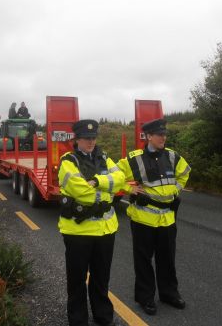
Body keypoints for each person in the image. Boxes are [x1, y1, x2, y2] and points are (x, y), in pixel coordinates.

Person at [117, 118, 191, 316]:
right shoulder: (135, 158)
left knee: (167, 259)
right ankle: (145, 297)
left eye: (165, 134)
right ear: (148, 136)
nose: (163, 138)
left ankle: (169, 294)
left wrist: (176, 190)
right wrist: (128, 189)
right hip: (143, 219)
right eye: (159, 135)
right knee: (143, 261)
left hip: (167, 218)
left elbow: (185, 174)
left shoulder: (173, 156)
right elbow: (114, 175)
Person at [58, 119, 125, 326]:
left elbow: (120, 179)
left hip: (105, 230)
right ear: (77, 139)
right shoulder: (68, 161)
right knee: (77, 280)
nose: (91, 142)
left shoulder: (104, 157)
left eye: (94, 138)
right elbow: (80, 191)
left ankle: (103, 316)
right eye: (87, 138)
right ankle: (78, 320)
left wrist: (96, 182)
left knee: (101, 277)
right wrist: (106, 186)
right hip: (78, 231)